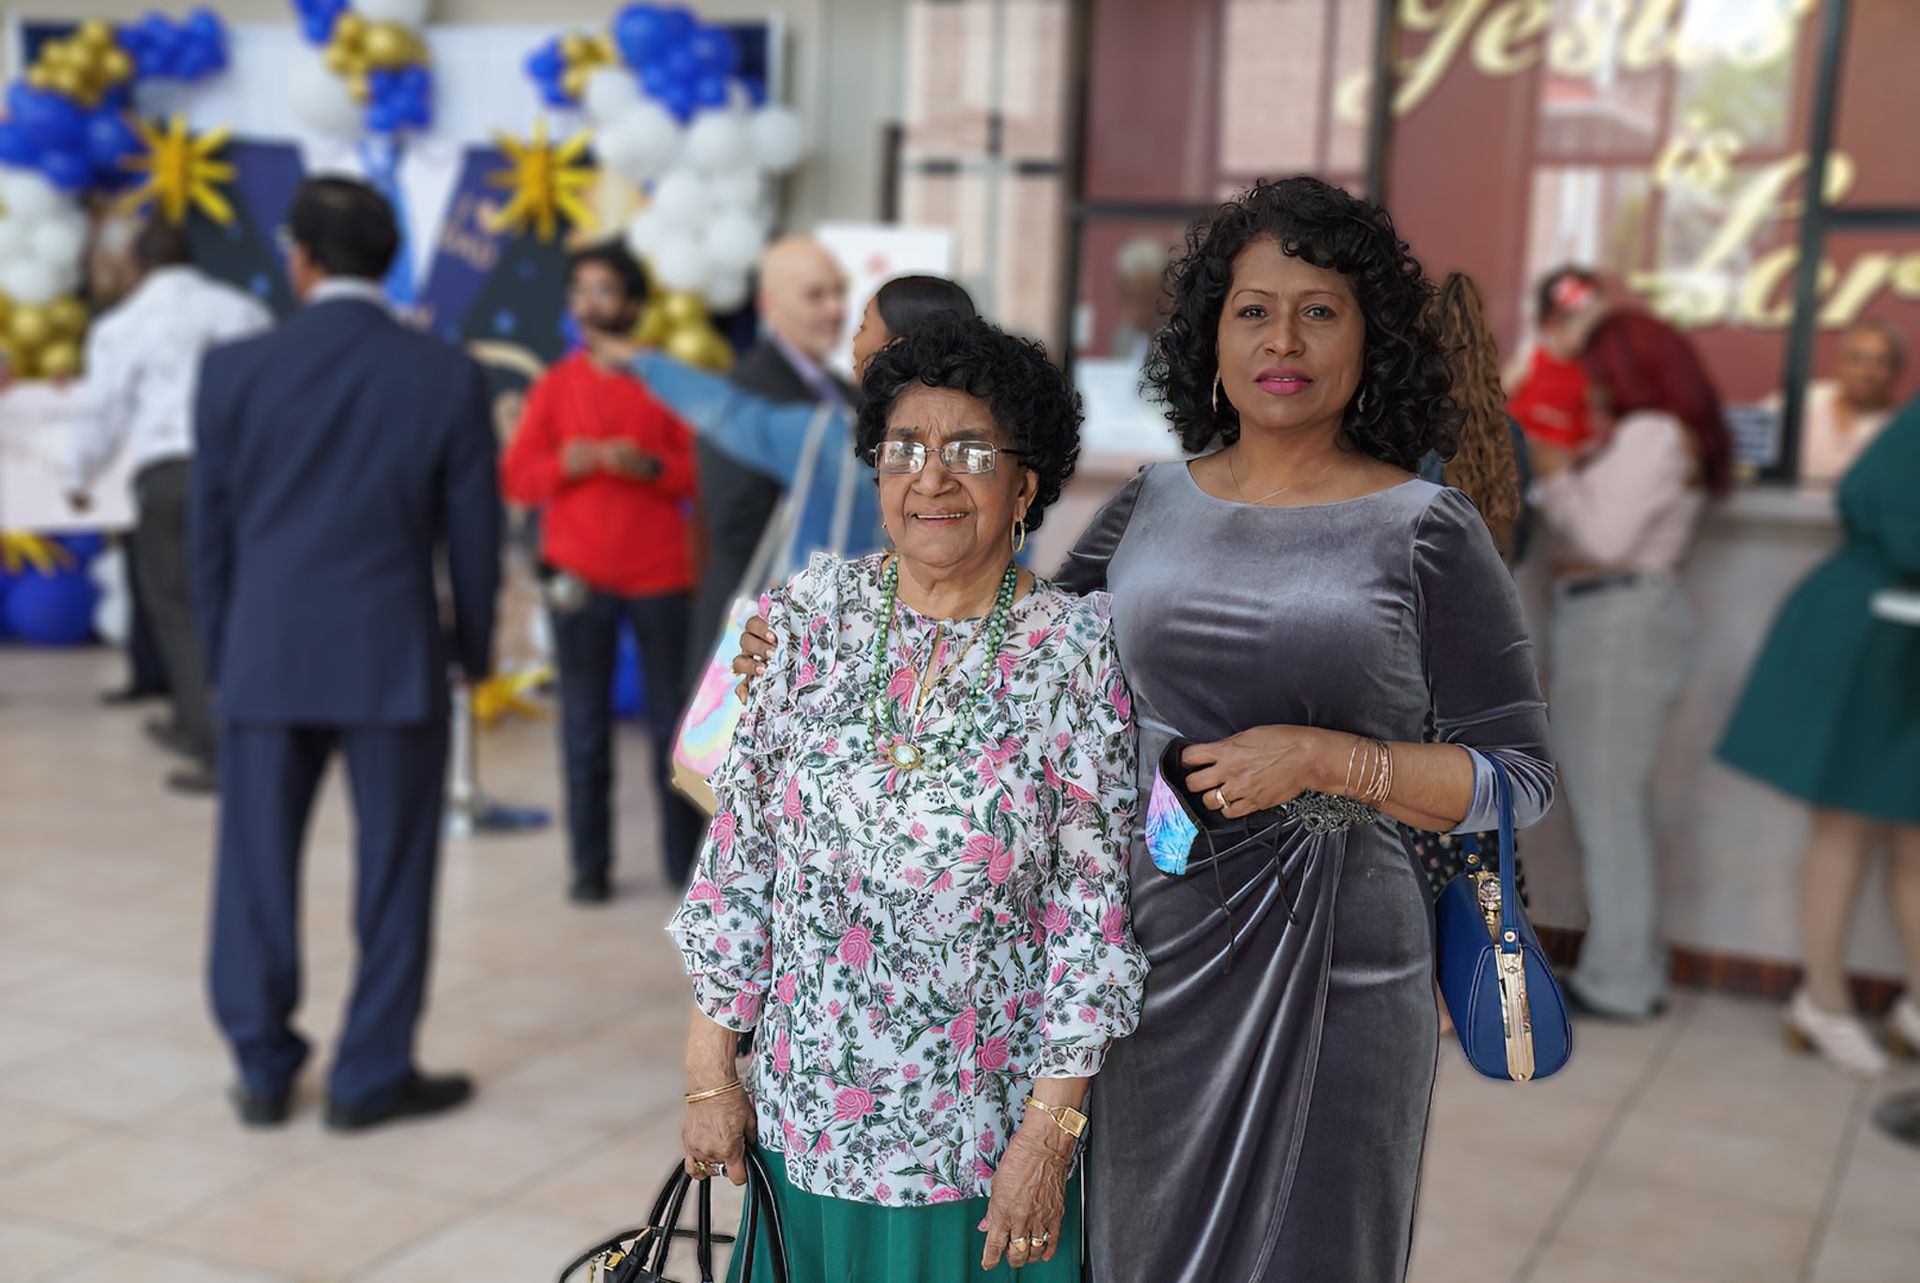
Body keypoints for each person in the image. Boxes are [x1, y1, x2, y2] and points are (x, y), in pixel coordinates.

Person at [735, 176, 1556, 1283]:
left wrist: (1330, 760)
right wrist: (817, 646)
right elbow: (1006, 637)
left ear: (1372, 340)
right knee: (1136, 1244)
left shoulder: (1425, 527)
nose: (1283, 340)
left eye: (1320, 311)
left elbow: (1519, 775)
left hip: (1340, 959)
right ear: (1209, 337)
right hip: (1154, 937)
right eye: (1253, 310)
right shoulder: (1152, 503)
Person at [668, 315, 1146, 1282]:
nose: (932, 477)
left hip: (980, 1137)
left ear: (1025, 486)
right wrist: (709, 1068)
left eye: (969, 451)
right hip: (807, 1120)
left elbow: (1088, 913)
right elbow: (742, 855)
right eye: (904, 449)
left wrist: (1049, 1135)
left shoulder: (1074, 651)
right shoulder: (807, 618)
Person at [192, 177, 501, 1131]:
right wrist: (473, 649)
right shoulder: (445, 372)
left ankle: (261, 1067)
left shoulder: (233, 368)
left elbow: (210, 533)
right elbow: (475, 537)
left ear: (303, 258)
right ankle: (368, 1076)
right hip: (392, 656)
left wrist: (221, 654)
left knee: (253, 872)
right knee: (396, 874)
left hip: (265, 654)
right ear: (390, 259)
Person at [1532, 307, 1734, 1023]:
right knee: (1613, 807)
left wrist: (1555, 476)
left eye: (1596, 368)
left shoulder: (1650, 433)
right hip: (1625, 620)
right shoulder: (1662, 434)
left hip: (1618, 624)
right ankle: (1628, 971)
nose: (1588, 384)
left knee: (1608, 810)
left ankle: (1620, 980)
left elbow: (1603, 538)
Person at [1718, 396, 1920, 1077]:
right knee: (1846, 826)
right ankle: (1824, 1003)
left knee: (1912, 837)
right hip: (1871, 637)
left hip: (1900, 641)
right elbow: (1896, 515)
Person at [502, 241, 703, 900]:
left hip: (661, 575)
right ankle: (590, 870)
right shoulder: (554, 386)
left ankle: (684, 868)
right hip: (577, 575)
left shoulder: (668, 381)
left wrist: (649, 466)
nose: (589, 304)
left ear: (635, 304)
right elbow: (518, 477)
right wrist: (567, 463)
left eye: (604, 290)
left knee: (673, 727)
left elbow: (702, 472)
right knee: (583, 726)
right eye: (580, 290)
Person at [68, 215, 272, 792]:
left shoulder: (123, 324)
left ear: (137, 263)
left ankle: (214, 745)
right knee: (235, 601)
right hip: (241, 474)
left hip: (169, 473)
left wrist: (79, 473)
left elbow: (102, 410)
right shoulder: (242, 310)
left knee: (178, 610)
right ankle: (230, 727)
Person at [587, 274, 978, 566]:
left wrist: (641, 361)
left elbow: (728, 413)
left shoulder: (834, 438)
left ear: (892, 348)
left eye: (863, 327)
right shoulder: (986, 445)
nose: (854, 342)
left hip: (837, 635)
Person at [1407, 271, 1534, 909]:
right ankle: (1483, 957)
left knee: (1415, 819)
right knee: (1479, 817)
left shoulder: (1406, 440)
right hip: (1488, 661)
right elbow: (1520, 547)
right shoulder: (1511, 439)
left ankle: (1424, 961)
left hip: (1416, 660)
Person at [689, 236, 854, 668]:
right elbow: (734, 521)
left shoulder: (843, 393)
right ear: (769, 305)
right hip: (761, 633)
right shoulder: (741, 395)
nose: (835, 308)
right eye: (815, 295)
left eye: (839, 291)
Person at [1789, 318, 1905, 486]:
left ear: (1897, 370)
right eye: (1857, 359)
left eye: (1881, 361)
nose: (1867, 372)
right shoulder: (1802, 403)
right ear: (1840, 363)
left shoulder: (1900, 429)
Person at [1508, 266, 1600, 453]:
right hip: (1520, 456)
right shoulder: (1528, 362)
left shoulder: (1591, 374)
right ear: (1553, 322)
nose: (1597, 331)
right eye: (1588, 322)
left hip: (1566, 462)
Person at [1109, 235, 1170, 368]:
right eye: (1127, 298)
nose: (1132, 310)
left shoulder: (1177, 341)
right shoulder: (1124, 336)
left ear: (1162, 293)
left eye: (1141, 299)